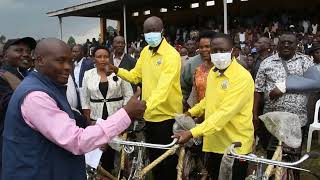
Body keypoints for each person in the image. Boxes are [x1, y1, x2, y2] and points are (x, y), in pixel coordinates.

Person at [2, 38, 146, 180]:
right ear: (39, 61)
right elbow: (77, 141)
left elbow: (69, 116)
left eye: (70, 61)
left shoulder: (48, 86)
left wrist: (94, 125)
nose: (67, 67)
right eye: (60, 60)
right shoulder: (36, 97)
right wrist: (126, 113)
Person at [107, 16, 182, 180]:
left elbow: (163, 89)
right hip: (149, 116)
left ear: (162, 31)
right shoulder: (145, 52)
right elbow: (135, 76)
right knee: (154, 161)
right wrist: (116, 70)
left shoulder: (172, 55)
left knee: (167, 163)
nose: (151, 34)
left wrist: (144, 106)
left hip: (166, 117)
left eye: (154, 31)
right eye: (147, 32)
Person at [174, 33, 254, 180]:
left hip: (235, 145)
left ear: (233, 51)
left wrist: (192, 132)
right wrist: (190, 113)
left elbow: (225, 113)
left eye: (222, 50)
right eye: (214, 51)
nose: (218, 54)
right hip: (214, 143)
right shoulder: (213, 73)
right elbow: (208, 100)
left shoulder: (242, 77)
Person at [254, 32, 313, 162]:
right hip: (272, 119)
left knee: (292, 159)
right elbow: (258, 90)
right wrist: (254, 116)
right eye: (283, 42)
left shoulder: (305, 61)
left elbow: (315, 81)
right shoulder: (267, 62)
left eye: (290, 42)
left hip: (297, 120)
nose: (286, 45)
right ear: (277, 45)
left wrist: (285, 86)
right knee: (272, 157)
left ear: (297, 45)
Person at [81, 46, 133, 172]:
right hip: (96, 119)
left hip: (117, 117)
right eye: (99, 56)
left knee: (119, 152)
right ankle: (105, 174)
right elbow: (85, 99)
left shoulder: (119, 72)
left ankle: (122, 174)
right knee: (101, 152)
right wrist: (88, 121)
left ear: (109, 57)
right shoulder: (88, 74)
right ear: (94, 59)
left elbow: (129, 95)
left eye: (105, 56)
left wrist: (125, 113)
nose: (103, 59)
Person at [0, 37, 36, 177]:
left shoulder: (27, 74)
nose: (26, 54)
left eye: (28, 50)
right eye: (18, 50)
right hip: (9, 145)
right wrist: (24, 88)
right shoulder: (2, 76)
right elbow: (14, 105)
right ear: (5, 55)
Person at [181, 30, 215, 110]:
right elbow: (184, 89)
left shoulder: (222, 63)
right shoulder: (191, 65)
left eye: (207, 46)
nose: (204, 50)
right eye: (201, 47)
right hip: (198, 112)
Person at [70, 44, 94, 111]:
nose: (73, 54)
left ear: (82, 53)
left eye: (76, 52)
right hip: (75, 95)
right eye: (72, 51)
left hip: (86, 96)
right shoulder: (72, 65)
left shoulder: (88, 64)